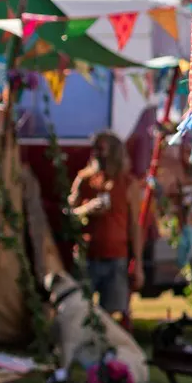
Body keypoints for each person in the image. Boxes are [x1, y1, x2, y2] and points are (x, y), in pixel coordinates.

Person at [68, 131, 144, 321]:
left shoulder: (128, 184)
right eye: (96, 149)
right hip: (87, 256)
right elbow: (68, 215)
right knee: (79, 310)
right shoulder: (84, 180)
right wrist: (86, 209)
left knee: (111, 315)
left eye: (102, 149)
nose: (98, 154)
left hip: (117, 258)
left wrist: (138, 264)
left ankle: (106, 349)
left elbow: (135, 226)